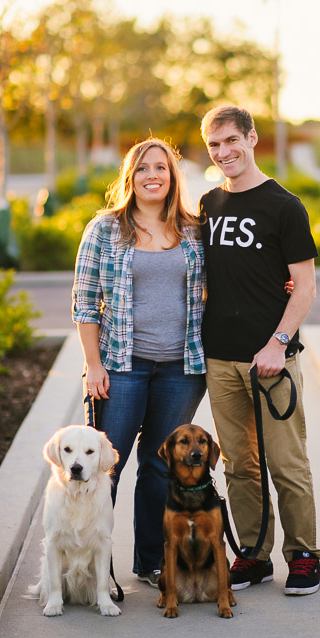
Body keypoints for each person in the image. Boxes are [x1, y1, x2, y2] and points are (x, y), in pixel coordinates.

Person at [198, 104, 320, 595]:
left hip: (272, 359)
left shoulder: (284, 206)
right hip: (220, 358)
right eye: (214, 145)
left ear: (251, 138)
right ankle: (253, 553)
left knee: (287, 462)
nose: (224, 152)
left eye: (231, 140)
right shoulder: (207, 205)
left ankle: (305, 555)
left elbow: (306, 286)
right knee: (239, 464)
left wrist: (278, 342)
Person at [72, 138, 206, 586]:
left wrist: (280, 285)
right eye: (144, 168)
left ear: (173, 177)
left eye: (162, 168)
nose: (153, 175)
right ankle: (96, 568)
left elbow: (227, 279)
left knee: (158, 465)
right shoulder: (105, 228)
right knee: (105, 466)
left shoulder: (193, 229)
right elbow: (86, 302)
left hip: (180, 370)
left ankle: (150, 562)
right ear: (131, 177)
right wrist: (94, 365)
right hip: (122, 366)